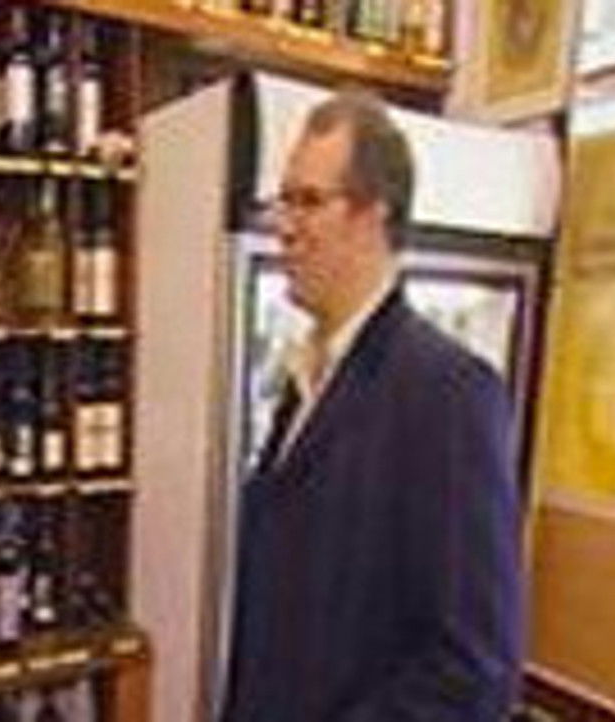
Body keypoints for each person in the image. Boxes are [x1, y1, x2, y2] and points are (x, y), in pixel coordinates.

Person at [225, 91, 523, 721]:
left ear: (372, 216)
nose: (283, 226)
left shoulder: (451, 394)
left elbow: (472, 672)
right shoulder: (309, 374)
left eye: (308, 201)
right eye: (284, 200)